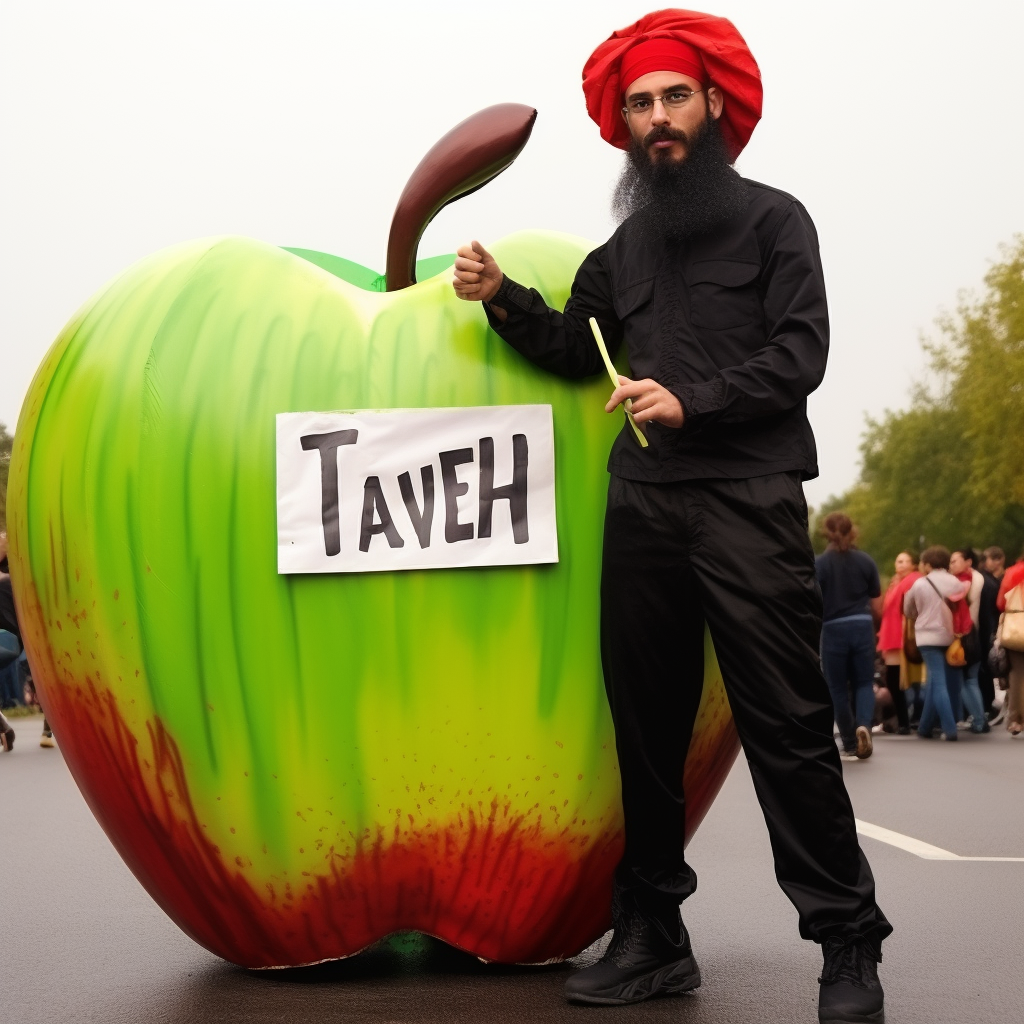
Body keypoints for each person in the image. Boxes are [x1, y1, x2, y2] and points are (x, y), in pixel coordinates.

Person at [452, 10, 890, 1022]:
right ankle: (652, 933)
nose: (657, 117)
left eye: (673, 98)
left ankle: (845, 940)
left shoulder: (779, 222)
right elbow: (573, 343)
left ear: (715, 107)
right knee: (643, 731)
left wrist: (693, 399)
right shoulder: (622, 250)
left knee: (785, 723)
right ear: (625, 123)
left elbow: (799, 355)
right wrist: (498, 294)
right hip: (644, 504)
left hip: (747, 496)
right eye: (639, 102)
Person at [815, 514, 882, 759]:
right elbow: (877, 605)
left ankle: (850, 742)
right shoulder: (865, 561)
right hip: (862, 626)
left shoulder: (819, 565)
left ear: (826, 533)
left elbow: (811, 602)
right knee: (864, 682)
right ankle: (864, 724)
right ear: (852, 532)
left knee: (837, 688)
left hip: (833, 628)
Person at [903, 547, 970, 741]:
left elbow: (908, 610)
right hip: (950, 635)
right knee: (935, 683)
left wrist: (920, 614)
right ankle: (924, 728)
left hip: (927, 637)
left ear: (929, 564)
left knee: (938, 683)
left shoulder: (920, 584)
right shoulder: (956, 582)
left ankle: (950, 729)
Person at [876, 551, 920, 734]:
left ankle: (905, 721)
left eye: (905, 561)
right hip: (893, 634)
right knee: (898, 680)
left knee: (897, 680)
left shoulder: (911, 580)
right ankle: (906, 720)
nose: (900, 564)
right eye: (898, 561)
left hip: (899, 635)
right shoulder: (899, 582)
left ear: (913, 564)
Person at [949, 548, 989, 732]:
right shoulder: (977, 578)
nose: (951, 565)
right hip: (974, 633)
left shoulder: (965, 582)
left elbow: (954, 600)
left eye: (955, 561)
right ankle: (979, 719)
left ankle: (979, 720)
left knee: (966, 680)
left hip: (964, 634)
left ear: (968, 562)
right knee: (971, 679)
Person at [995, 547, 1024, 736]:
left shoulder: (1013, 573)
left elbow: (1000, 603)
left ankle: (1016, 720)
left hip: (1016, 631)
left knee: (1017, 675)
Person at [977, 549, 1003, 720]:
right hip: (991, 627)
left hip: (985, 629)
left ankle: (987, 706)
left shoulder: (981, 581)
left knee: (982, 671)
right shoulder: (991, 580)